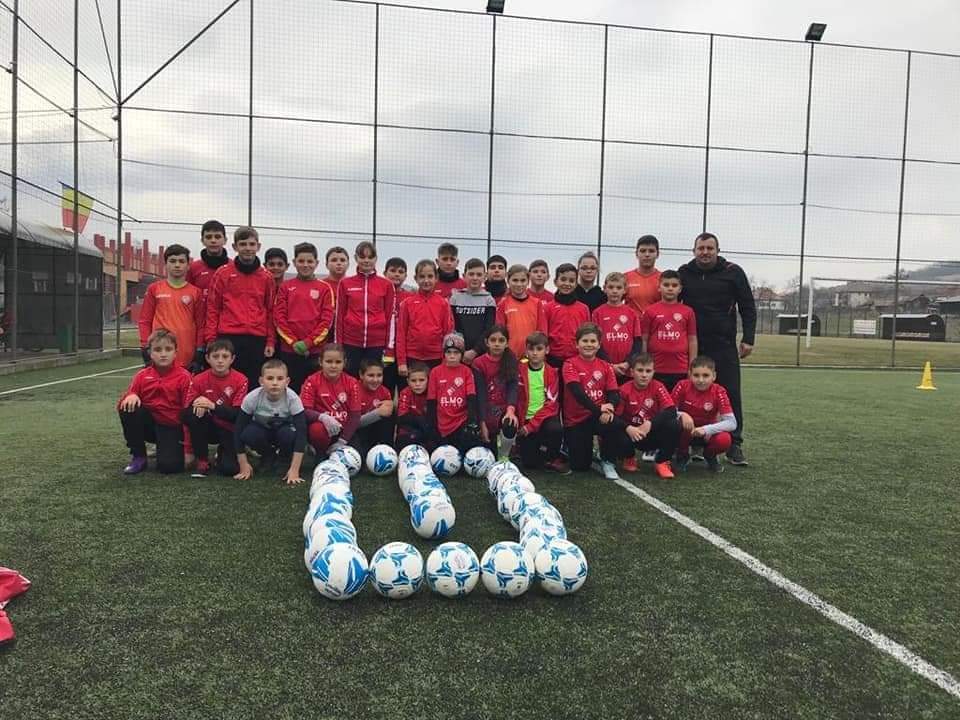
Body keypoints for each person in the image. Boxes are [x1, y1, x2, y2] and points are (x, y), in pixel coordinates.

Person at [677, 232, 756, 466]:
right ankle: (692, 443)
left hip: (724, 344)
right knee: (691, 393)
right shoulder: (684, 273)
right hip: (694, 345)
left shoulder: (733, 272)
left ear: (718, 250)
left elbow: (748, 306)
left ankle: (734, 444)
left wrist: (748, 338)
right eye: (701, 248)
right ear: (694, 251)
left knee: (731, 393)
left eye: (709, 248)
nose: (705, 252)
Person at [204, 226, 276, 392]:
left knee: (254, 385)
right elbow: (213, 307)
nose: (248, 248)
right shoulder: (222, 273)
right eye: (243, 244)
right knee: (229, 385)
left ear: (258, 246)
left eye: (252, 244)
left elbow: (271, 311)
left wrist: (270, 341)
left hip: (257, 339)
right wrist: (211, 339)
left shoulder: (267, 277)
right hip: (228, 337)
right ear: (235, 247)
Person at [117, 328, 192, 475]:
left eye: (168, 349)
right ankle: (138, 456)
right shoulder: (142, 375)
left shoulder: (184, 377)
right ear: (150, 353)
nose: (163, 354)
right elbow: (127, 397)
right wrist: (131, 394)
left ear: (175, 352)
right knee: (128, 406)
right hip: (149, 425)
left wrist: (189, 449)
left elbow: (188, 414)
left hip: (172, 427)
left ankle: (166, 448)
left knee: (170, 467)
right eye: (158, 350)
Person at [562, 323, 622, 480]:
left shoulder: (606, 366)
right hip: (576, 420)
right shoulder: (569, 364)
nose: (589, 345)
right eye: (585, 341)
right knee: (580, 466)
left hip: (598, 416)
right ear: (577, 344)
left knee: (614, 423)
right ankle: (568, 446)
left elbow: (614, 393)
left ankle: (608, 460)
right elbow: (577, 393)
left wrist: (609, 408)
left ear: (599, 344)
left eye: (593, 341)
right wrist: (600, 409)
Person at [274, 242, 335, 394]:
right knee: (290, 391)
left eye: (310, 261)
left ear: (317, 263)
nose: (305, 265)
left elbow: (327, 321)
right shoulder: (285, 287)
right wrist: (293, 342)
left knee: (313, 391)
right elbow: (279, 318)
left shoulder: (325, 288)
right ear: (294, 262)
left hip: (315, 351)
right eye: (301, 261)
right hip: (289, 349)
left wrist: (308, 343)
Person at [180, 339, 247, 477]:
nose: (220, 361)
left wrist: (211, 406)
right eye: (215, 356)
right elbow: (186, 413)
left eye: (225, 356)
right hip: (207, 426)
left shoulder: (241, 380)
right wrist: (197, 403)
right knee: (194, 413)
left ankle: (222, 453)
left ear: (232, 359)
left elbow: (237, 414)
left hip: (228, 428)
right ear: (207, 359)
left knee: (230, 469)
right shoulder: (198, 379)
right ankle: (202, 459)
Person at [234, 358, 306, 484]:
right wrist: (243, 464)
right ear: (261, 381)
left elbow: (302, 433)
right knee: (248, 434)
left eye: (280, 379)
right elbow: (238, 429)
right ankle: (268, 455)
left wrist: (295, 470)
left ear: (287, 381)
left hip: (283, 431)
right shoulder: (252, 398)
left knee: (288, 434)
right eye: (270, 378)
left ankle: (284, 458)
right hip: (263, 431)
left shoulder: (293, 399)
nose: (275, 383)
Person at [610, 353, 682, 478]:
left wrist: (650, 423)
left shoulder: (658, 386)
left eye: (648, 371)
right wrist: (629, 428)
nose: (644, 375)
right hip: (632, 434)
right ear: (632, 372)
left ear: (653, 372)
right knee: (615, 428)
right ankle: (629, 457)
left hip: (651, 432)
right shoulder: (623, 390)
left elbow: (671, 410)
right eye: (640, 370)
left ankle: (662, 461)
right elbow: (616, 417)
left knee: (674, 424)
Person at [335, 241, 396, 378]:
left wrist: (389, 348)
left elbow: (390, 317)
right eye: (362, 257)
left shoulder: (386, 285)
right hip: (351, 343)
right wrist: (338, 346)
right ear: (355, 258)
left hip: (377, 344)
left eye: (370, 257)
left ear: (376, 258)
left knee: (372, 381)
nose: (366, 260)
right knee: (351, 381)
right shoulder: (345, 283)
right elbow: (339, 316)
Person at [138, 244, 202, 370]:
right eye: (172, 261)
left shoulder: (196, 292)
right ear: (166, 264)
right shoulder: (154, 289)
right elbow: (145, 320)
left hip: (186, 354)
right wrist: (145, 345)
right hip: (160, 353)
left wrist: (199, 349)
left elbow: (201, 325)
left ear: (188, 266)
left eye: (181, 261)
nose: (177, 265)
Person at [671, 355, 736, 474]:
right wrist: (682, 414)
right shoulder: (682, 385)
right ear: (690, 375)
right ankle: (682, 454)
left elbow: (732, 423)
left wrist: (706, 429)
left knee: (724, 439)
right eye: (696, 375)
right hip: (685, 431)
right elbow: (667, 412)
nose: (701, 380)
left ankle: (709, 455)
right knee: (674, 425)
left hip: (707, 434)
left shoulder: (719, 391)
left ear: (714, 376)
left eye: (706, 375)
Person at [516, 331, 567, 473]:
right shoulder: (519, 370)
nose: (535, 353)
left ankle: (552, 458)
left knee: (555, 429)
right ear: (526, 351)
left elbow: (551, 405)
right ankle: (529, 448)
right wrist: (522, 424)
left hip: (543, 419)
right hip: (525, 420)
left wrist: (531, 426)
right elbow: (515, 398)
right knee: (530, 464)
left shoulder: (552, 373)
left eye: (539, 349)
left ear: (547, 350)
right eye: (531, 349)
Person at [397, 260, 454, 383]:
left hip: (436, 357)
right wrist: (402, 362)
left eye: (430, 276)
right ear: (415, 278)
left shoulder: (443, 304)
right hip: (412, 357)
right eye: (422, 276)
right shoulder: (407, 303)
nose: (426, 280)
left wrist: (446, 360)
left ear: (436, 278)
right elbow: (401, 333)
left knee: (434, 392)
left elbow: (448, 333)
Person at [300, 343, 361, 457]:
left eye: (338, 362)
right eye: (329, 361)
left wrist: (342, 441)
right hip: (322, 429)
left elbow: (355, 416)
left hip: (343, 432)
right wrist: (322, 417)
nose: (333, 366)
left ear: (344, 363)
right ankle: (320, 454)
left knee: (358, 456)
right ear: (320, 362)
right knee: (317, 430)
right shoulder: (311, 381)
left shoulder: (352, 383)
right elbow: (304, 410)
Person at [641, 270, 698, 391]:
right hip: (655, 368)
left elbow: (692, 340)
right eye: (666, 285)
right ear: (659, 287)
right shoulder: (650, 311)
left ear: (680, 289)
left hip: (681, 368)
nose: (670, 288)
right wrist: (645, 364)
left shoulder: (688, 311)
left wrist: (692, 367)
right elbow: (644, 339)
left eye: (674, 285)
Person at [427, 333, 482, 454]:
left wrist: (471, 421)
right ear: (444, 353)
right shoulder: (435, 372)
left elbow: (471, 397)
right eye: (449, 352)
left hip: (460, 422)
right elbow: (431, 400)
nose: (452, 356)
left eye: (456, 352)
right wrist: (432, 425)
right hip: (442, 424)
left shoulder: (466, 371)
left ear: (462, 354)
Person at [472, 325, 519, 460]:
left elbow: (513, 388)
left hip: (503, 409)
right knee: (486, 452)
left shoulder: (512, 360)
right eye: (493, 340)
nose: (497, 344)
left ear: (507, 343)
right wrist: (482, 422)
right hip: (484, 410)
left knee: (510, 423)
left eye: (501, 340)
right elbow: (480, 394)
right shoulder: (478, 363)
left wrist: (510, 411)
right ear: (486, 342)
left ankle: (504, 457)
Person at [186, 220, 230, 362]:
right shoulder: (194, 268)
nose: (213, 240)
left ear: (225, 240)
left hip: (225, 328)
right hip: (199, 328)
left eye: (217, 236)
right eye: (209, 237)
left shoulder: (233, 266)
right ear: (202, 240)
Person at [592, 271, 642, 382]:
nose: (614, 291)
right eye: (611, 287)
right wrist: (610, 365)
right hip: (605, 368)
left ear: (625, 290)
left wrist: (628, 363)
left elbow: (638, 343)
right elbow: (595, 342)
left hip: (626, 370)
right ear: (604, 289)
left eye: (618, 288)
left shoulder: (632, 313)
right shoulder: (597, 313)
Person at [543, 263, 590, 369]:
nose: (567, 283)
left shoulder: (583, 308)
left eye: (571, 281)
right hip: (552, 359)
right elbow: (543, 335)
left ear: (576, 284)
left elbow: (586, 335)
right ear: (555, 282)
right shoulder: (548, 308)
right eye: (563, 279)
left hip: (576, 359)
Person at [450, 258, 496, 365]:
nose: (475, 278)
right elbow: (453, 327)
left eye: (479, 275)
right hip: (458, 353)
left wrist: (475, 351)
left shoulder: (489, 300)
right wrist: (460, 350)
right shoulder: (455, 298)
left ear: (485, 277)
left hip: (481, 354)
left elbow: (488, 329)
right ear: (464, 276)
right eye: (471, 274)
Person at [495, 264, 545, 359]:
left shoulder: (537, 303)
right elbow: (500, 332)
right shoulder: (503, 304)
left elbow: (541, 333)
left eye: (523, 280)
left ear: (528, 281)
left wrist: (537, 352)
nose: (519, 284)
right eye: (515, 280)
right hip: (509, 356)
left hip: (532, 356)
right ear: (508, 281)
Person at [353, 357, 395, 458]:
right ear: (361, 375)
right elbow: (351, 424)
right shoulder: (353, 390)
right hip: (357, 432)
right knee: (360, 457)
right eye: (371, 375)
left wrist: (390, 408)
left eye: (379, 375)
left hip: (374, 431)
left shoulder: (385, 391)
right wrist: (377, 413)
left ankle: (387, 449)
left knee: (390, 413)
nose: (375, 380)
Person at [383, 257, 413, 391]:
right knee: (385, 388)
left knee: (405, 389)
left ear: (406, 276)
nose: (396, 274)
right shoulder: (380, 295)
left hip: (405, 352)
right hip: (385, 350)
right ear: (385, 273)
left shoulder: (410, 297)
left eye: (401, 272)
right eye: (393, 271)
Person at [396, 361, 431, 450]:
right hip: (410, 428)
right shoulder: (405, 392)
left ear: (428, 380)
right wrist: (419, 419)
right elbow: (402, 416)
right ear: (407, 381)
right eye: (413, 381)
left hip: (428, 427)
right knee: (402, 441)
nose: (417, 384)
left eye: (421, 380)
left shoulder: (432, 392)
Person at [624, 235, 662, 316]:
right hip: (631, 323)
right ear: (636, 254)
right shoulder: (625, 278)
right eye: (643, 251)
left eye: (651, 251)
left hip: (656, 323)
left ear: (658, 254)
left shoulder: (663, 279)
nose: (647, 254)